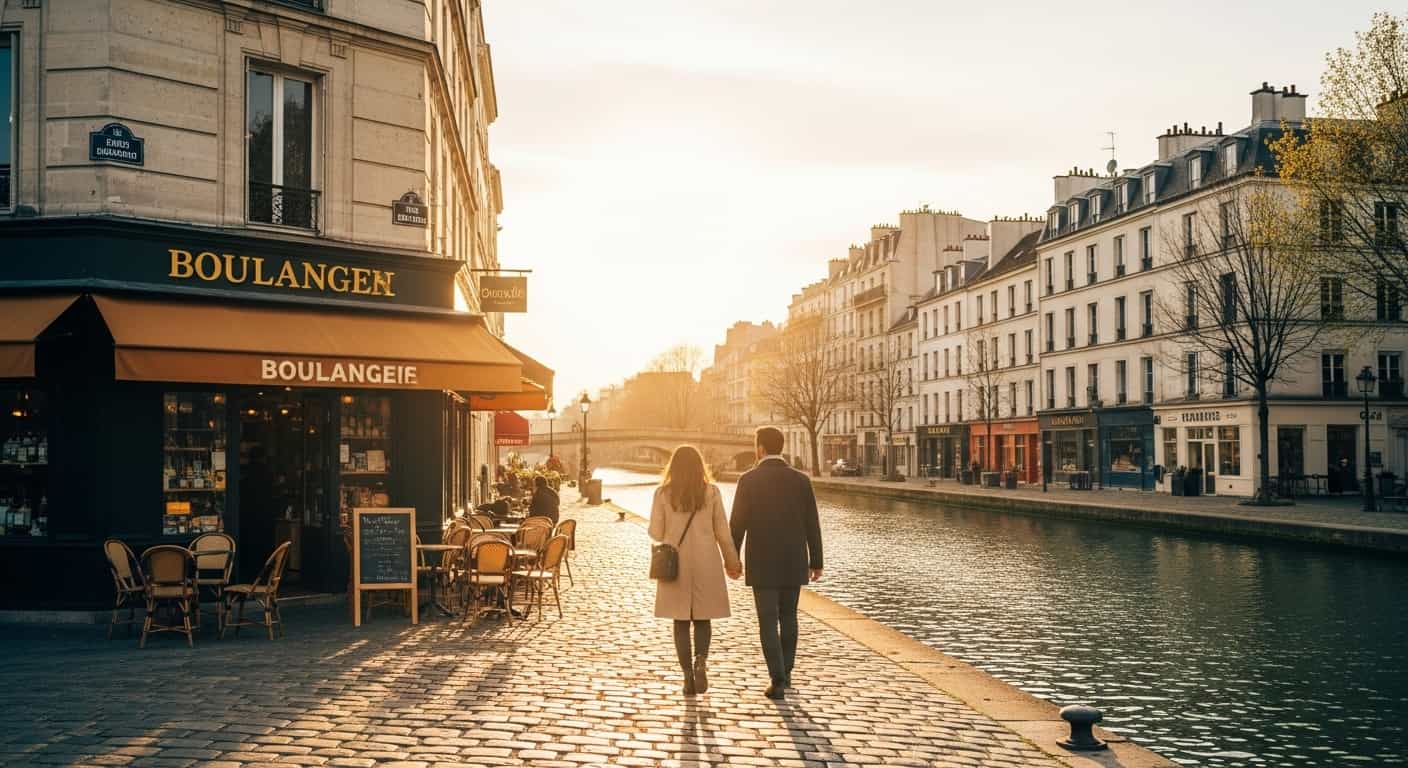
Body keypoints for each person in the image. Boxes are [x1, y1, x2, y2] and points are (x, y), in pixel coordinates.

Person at [730, 425, 823, 701]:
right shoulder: (801, 480)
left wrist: (732, 560)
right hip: (794, 560)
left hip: (762, 561)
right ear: (781, 447)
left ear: (760, 449)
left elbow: (737, 525)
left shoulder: (748, 480)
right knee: (789, 617)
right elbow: (812, 525)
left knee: (768, 620)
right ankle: (787, 670)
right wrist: (816, 560)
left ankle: (777, 678)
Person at [649, 445, 741, 696]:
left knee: (680, 622)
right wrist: (733, 562)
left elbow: (655, 533)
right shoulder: (711, 493)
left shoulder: (662, 494)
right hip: (706, 562)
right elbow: (723, 532)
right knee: (703, 618)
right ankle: (701, 660)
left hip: (674, 564)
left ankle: (688, 677)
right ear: (700, 466)